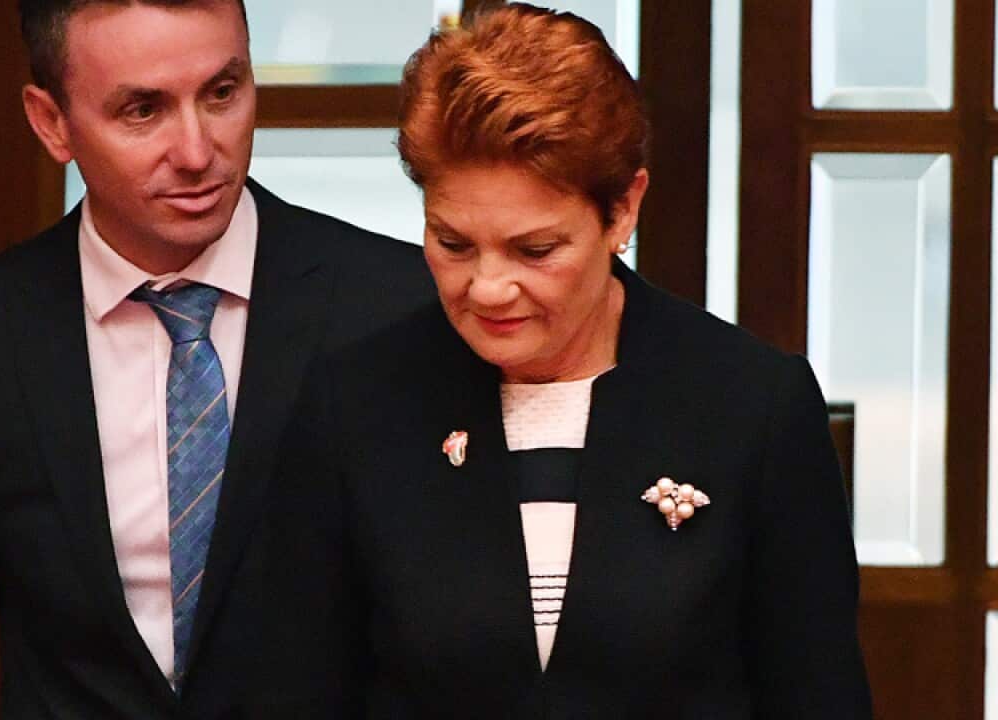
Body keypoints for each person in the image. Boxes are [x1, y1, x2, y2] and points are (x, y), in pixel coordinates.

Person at [267, 4, 873, 718]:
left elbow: (818, 697)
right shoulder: (358, 406)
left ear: (622, 212)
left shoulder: (752, 407)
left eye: (535, 250)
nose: (488, 288)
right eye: (453, 243)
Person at [0, 1, 432, 718]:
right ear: (50, 122)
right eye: (143, 111)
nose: (196, 150)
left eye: (222, 93)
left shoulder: (396, 307)